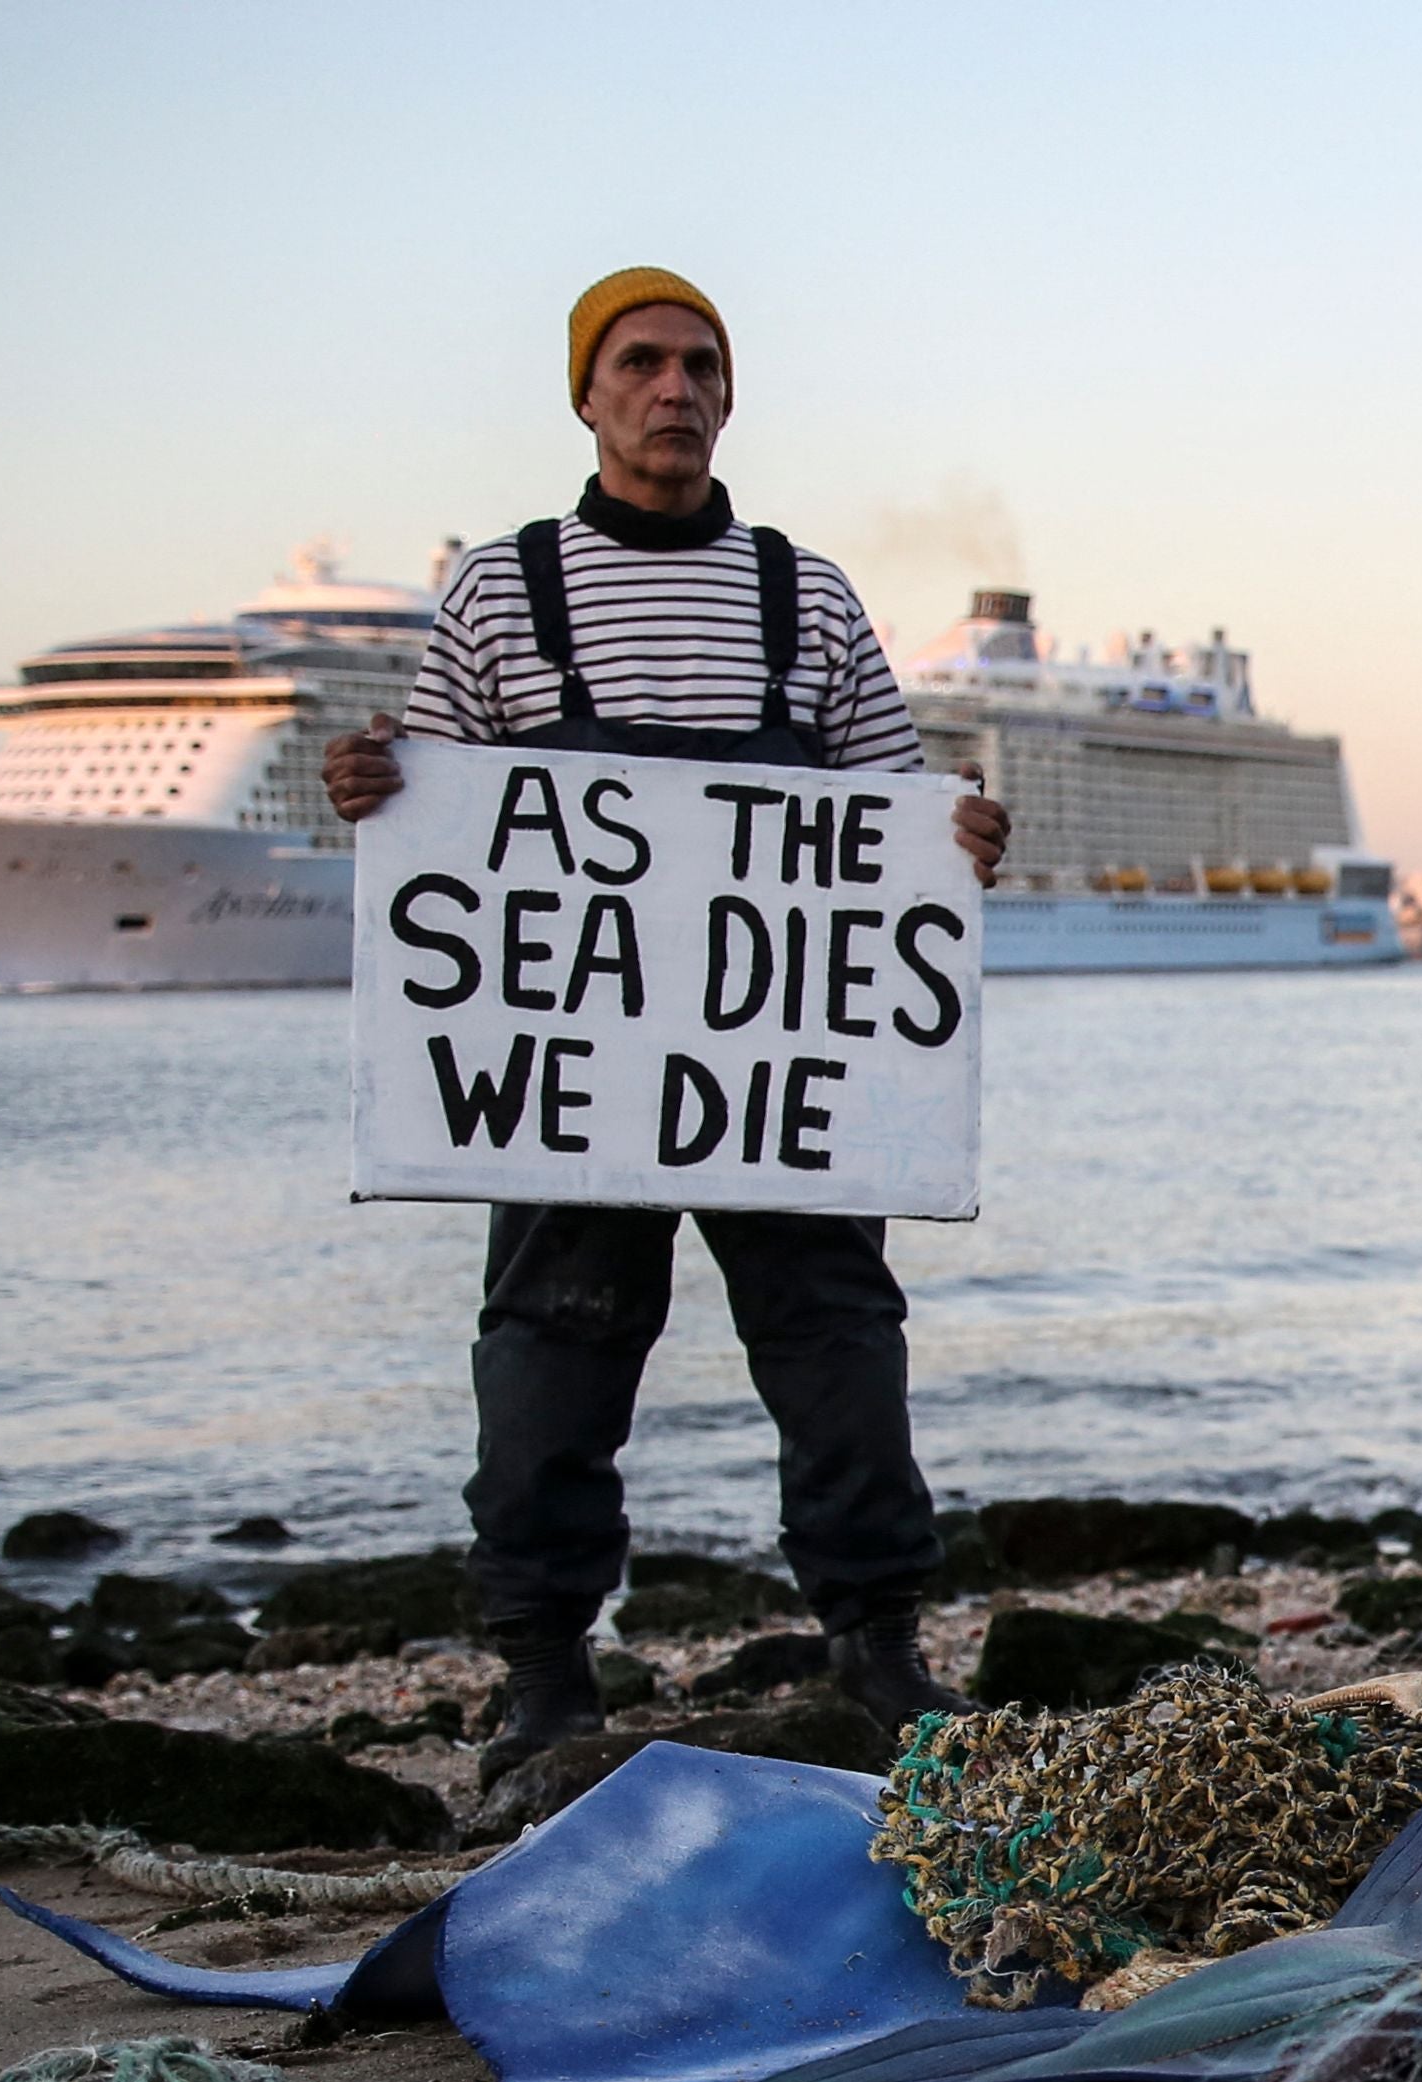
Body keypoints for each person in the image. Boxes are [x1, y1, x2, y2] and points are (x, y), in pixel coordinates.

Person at [327, 270, 1008, 1775]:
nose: (673, 388)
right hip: (574, 1067)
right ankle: (545, 1677)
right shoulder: (503, 590)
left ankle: (876, 1645)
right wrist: (373, 789)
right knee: (545, 1365)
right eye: (639, 363)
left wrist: (956, 840)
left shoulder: (805, 592)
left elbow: (890, 816)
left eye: (701, 364)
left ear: (728, 392)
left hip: (783, 1069)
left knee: (841, 1351)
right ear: (586, 392)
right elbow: (444, 820)